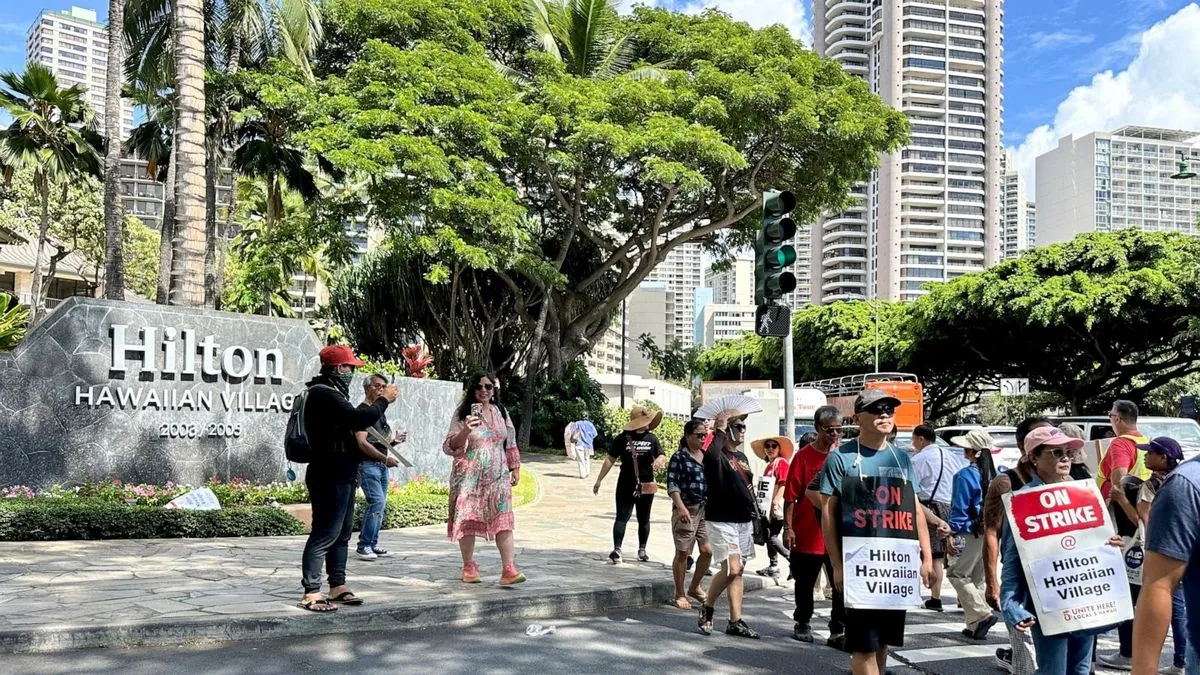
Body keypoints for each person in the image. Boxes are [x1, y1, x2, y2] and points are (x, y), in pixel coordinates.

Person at [820, 390, 934, 675]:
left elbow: (915, 510)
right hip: (860, 567)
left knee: (883, 643)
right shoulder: (841, 459)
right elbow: (828, 514)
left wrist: (927, 558)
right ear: (858, 417)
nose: (885, 414)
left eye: (889, 409)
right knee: (863, 647)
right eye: (876, 409)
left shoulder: (902, 459)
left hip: (894, 569)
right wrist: (836, 566)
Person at [1001, 426, 1125, 675]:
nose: (1066, 458)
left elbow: (1096, 543)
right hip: (1048, 605)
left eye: (1068, 452)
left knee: (1080, 671)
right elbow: (1012, 559)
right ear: (1033, 458)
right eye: (1056, 452)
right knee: (1053, 671)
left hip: (1087, 599)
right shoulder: (1023, 501)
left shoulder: (1084, 493)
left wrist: (1112, 546)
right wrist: (1011, 604)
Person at [300, 345, 397, 612]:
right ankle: (311, 590)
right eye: (350, 367)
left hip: (342, 472)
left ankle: (337, 585)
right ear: (339, 368)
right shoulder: (323, 394)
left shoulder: (332, 393)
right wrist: (383, 400)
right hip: (328, 473)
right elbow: (358, 419)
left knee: (342, 533)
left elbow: (350, 434)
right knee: (325, 532)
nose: (352, 372)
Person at [443, 373, 526, 585]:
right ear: (472, 390)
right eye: (479, 386)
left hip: (498, 477)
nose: (484, 390)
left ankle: (508, 569)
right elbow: (450, 446)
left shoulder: (500, 412)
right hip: (469, 478)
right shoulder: (462, 415)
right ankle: (469, 566)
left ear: (494, 389)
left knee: (504, 520)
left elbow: (510, 440)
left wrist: (514, 466)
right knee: (469, 520)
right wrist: (465, 430)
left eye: (488, 386)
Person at [988, 416, 1052, 674]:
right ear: (1028, 450)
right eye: (1045, 441)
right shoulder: (1006, 482)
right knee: (1028, 664)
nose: (1055, 448)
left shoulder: (1072, 481)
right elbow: (991, 532)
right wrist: (993, 583)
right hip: (1023, 586)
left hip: (1062, 586)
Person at [1133, 442, 1200, 675]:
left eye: (1150, 453)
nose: (1145, 457)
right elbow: (1159, 584)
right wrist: (1144, 669)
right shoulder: (1186, 486)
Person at [784, 405, 846, 646]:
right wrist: (788, 528)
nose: (835, 435)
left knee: (839, 583)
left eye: (839, 430)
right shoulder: (802, 457)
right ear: (818, 429)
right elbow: (790, 496)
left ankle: (838, 629)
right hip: (807, 532)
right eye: (830, 430)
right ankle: (803, 620)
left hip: (836, 533)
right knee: (805, 583)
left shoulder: (842, 457)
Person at [1098, 401, 1152, 672]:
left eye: (1110, 416)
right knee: (1139, 589)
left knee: (1126, 589)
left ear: (1117, 418)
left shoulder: (1120, 444)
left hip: (1123, 523)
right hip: (1141, 523)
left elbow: (1119, 480)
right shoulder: (1145, 442)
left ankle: (1127, 652)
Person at [697, 412, 761, 639]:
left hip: (743, 519)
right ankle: (708, 605)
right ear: (728, 429)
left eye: (744, 426)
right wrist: (719, 429)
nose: (743, 430)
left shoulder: (742, 456)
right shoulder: (716, 453)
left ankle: (735, 620)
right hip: (722, 519)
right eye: (739, 426)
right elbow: (711, 456)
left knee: (739, 570)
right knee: (732, 568)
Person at [594, 406, 666, 564]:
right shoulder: (622, 439)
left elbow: (661, 454)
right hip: (626, 482)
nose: (648, 423)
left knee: (644, 518)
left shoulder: (652, 438)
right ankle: (617, 549)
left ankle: (642, 549)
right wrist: (599, 479)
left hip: (646, 484)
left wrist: (660, 460)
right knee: (622, 516)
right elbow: (610, 459)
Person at [948, 429, 999, 640]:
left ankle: (981, 614)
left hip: (970, 531)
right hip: (992, 531)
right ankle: (973, 624)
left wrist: (952, 531)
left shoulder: (964, 475)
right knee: (977, 577)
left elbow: (959, 509)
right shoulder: (995, 475)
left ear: (970, 451)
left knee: (957, 574)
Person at [910, 423, 963, 611]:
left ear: (921, 439)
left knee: (934, 555)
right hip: (951, 505)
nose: (913, 443)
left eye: (914, 439)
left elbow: (911, 485)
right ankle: (960, 596)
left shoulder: (920, 458)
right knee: (951, 553)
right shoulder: (951, 456)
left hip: (930, 507)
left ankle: (935, 597)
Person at [354, 374, 407, 561]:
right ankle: (363, 545)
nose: (381, 390)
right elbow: (362, 443)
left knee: (380, 505)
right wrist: (385, 459)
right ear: (367, 388)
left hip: (380, 466)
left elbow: (376, 442)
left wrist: (394, 442)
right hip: (368, 465)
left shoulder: (378, 412)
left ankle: (372, 544)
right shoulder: (362, 411)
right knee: (376, 502)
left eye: (384, 386)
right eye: (377, 386)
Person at [667, 420, 713, 609]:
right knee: (683, 552)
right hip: (686, 509)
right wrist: (681, 507)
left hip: (704, 510)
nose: (703, 438)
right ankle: (680, 592)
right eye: (699, 435)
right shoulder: (679, 457)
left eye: (705, 435)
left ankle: (694, 587)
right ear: (688, 436)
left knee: (707, 550)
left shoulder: (706, 456)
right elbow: (672, 485)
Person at [752, 434, 794, 578]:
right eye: (767, 446)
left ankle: (791, 559)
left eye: (773, 446)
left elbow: (784, 483)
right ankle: (773, 565)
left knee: (772, 537)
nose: (770, 449)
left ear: (779, 448)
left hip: (777, 507)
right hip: (768, 508)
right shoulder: (769, 466)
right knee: (769, 535)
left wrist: (776, 501)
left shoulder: (781, 463)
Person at [571, 414, 598, 479]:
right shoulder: (591, 424)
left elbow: (572, 432)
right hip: (588, 445)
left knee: (581, 460)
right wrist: (589, 438)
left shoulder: (577, 423)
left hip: (579, 444)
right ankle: (587, 473)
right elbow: (595, 434)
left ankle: (582, 475)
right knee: (587, 458)